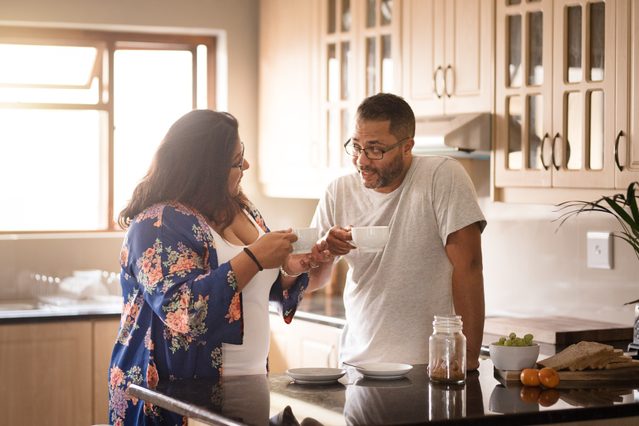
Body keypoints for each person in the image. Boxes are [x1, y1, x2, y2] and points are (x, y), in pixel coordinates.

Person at [108, 110, 327, 425]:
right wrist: (254, 257)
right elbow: (183, 311)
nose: (246, 167)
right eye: (237, 161)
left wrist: (290, 269)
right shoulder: (157, 224)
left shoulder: (242, 208)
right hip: (178, 397)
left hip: (249, 386)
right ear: (206, 168)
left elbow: (257, 289)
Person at [308, 93, 486, 370]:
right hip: (358, 364)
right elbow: (311, 281)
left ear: (407, 147)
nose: (362, 161)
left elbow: (470, 267)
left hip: (428, 366)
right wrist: (324, 250)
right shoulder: (338, 191)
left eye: (375, 149)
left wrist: (469, 359)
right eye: (356, 146)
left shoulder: (442, 176)